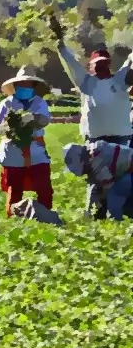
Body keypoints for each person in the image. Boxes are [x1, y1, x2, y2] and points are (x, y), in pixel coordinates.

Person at [50, 16, 133, 220]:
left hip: (122, 137)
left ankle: (123, 211)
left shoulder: (121, 80)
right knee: (95, 178)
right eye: (96, 64)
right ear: (91, 66)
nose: (100, 67)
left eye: (103, 63)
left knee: (124, 175)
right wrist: (60, 43)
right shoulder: (86, 82)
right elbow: (71, 63)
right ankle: (97, 212)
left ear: (109, 64)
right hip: (94, 140)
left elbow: (131, 60)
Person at [0, 67, 55, 216]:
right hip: (12, 152)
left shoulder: (39, 103)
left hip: (36, 151)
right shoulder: (6, 104)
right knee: (14, 188)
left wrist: (33, 118)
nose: (25, 88)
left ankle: (45, 216)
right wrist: (8, 127)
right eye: (21, 85)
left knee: (44, 187)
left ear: (33, 87)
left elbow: (45, 119)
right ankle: (14, 216)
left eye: (28, 85)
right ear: (15, 86)